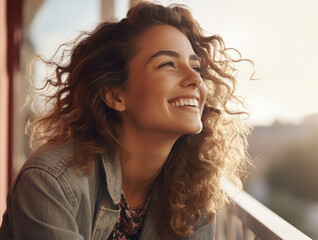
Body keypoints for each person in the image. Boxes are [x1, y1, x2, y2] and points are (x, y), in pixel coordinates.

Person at [0, 1, 252, 239]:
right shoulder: (50, 182)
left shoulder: (193, 188)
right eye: (167, 64)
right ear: (114, 95)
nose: (195, 79)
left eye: (196, 67)